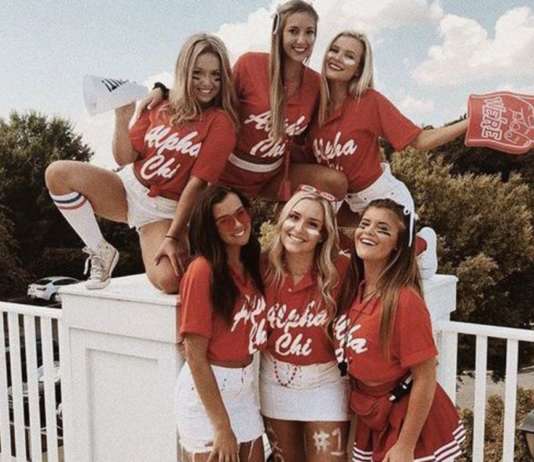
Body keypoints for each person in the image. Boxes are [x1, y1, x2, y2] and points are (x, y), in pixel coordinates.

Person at [45, 33, 238, 292]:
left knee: (169, 280)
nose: (207, 83)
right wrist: (122, 118)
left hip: (164, 211)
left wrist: (172, 236)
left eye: (216, 76)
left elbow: (197, 185)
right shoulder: (160, 104)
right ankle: (100, 250)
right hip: (128, 189)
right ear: (183, 72)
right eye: (197, 74)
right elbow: (124, 158)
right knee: (57, 173)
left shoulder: (220, 122)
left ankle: (203, 251)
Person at [143, 0, 348, 201]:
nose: (302, 40)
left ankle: (286, 213)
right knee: (217, 219)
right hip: (227, 173)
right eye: (293, 31)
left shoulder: (316, 83)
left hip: (273, 176)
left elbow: (316, 132)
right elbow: (211, 95)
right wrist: (164, 91)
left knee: (336, 182)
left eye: (309, 32)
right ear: (278, 32)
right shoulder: (250, 64)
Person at [309, 30, 470, 277]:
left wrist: (469, 122)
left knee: (388, 266)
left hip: (385, 198)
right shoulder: (314, 104)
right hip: (346, 203)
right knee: (331, 250)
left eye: (349, 56)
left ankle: (423, 243)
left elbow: (421, 140)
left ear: (359, 69)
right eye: (334, 50)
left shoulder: (369, 102)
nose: (338, 58)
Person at [334, 198, 465, 462]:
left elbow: (425, 377)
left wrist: (405, 445)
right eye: (365, 224)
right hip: (372, 415)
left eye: (382, 229)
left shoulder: (405, 300)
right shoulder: (356, 290)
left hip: (406, 420)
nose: (369, 232)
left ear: (397, 245)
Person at [260, 186, 351, 461]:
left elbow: (391, 258)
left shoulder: (342, 268)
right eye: (294, 217)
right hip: (275, 381)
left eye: (313, 224)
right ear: (282, 219)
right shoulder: (261, 265)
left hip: (326, 384)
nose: (299, 229)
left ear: (323, 234)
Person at [176, 185, 266, 462]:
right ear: (210, 229)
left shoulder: (251, 266)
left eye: (241, 213)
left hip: (244, 390)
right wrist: (221, 426)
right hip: (209, 395)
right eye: (225, 220)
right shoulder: (201, 270)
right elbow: (194, 355)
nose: (238, 224)